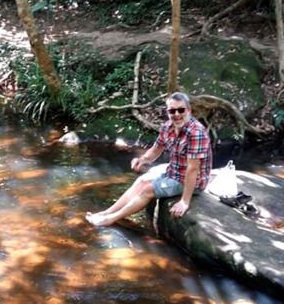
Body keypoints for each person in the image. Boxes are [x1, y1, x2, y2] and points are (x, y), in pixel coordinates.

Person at [86, 92, 212, 226]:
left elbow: (193, 169)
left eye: (181, 110)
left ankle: (111, 219)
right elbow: (157, 149)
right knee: (141, 181)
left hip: (193, 181)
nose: (177, 114)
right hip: (174, 172)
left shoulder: (196, 133)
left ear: (189, 110)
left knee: (147, 190)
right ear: (167, 112)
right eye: (172, 111)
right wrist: (142, 159)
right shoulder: (168, 127)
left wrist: (184, 201)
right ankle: (107, 212)